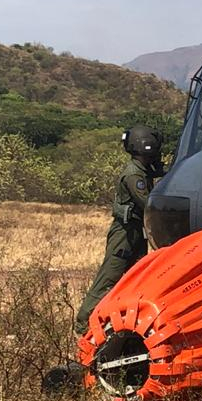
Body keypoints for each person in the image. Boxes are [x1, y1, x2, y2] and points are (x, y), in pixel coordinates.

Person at [73, 126, 165, 334]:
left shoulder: (142, 170)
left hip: (134, 231)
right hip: (125, 233)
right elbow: (146, 202)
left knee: (136, 276)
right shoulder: (135, 175)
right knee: (109, 277)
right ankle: (83, 323)